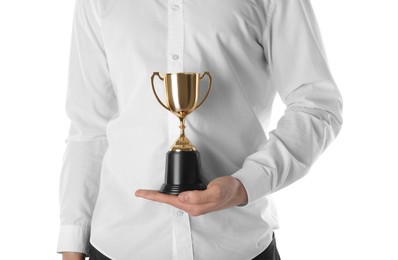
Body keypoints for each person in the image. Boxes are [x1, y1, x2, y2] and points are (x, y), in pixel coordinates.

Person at [56, 0, 343, 259]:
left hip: (236, 246)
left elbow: (316, 105)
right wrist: (72, 245)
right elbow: (88, 129)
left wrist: (244, 185)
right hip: (118, 246)